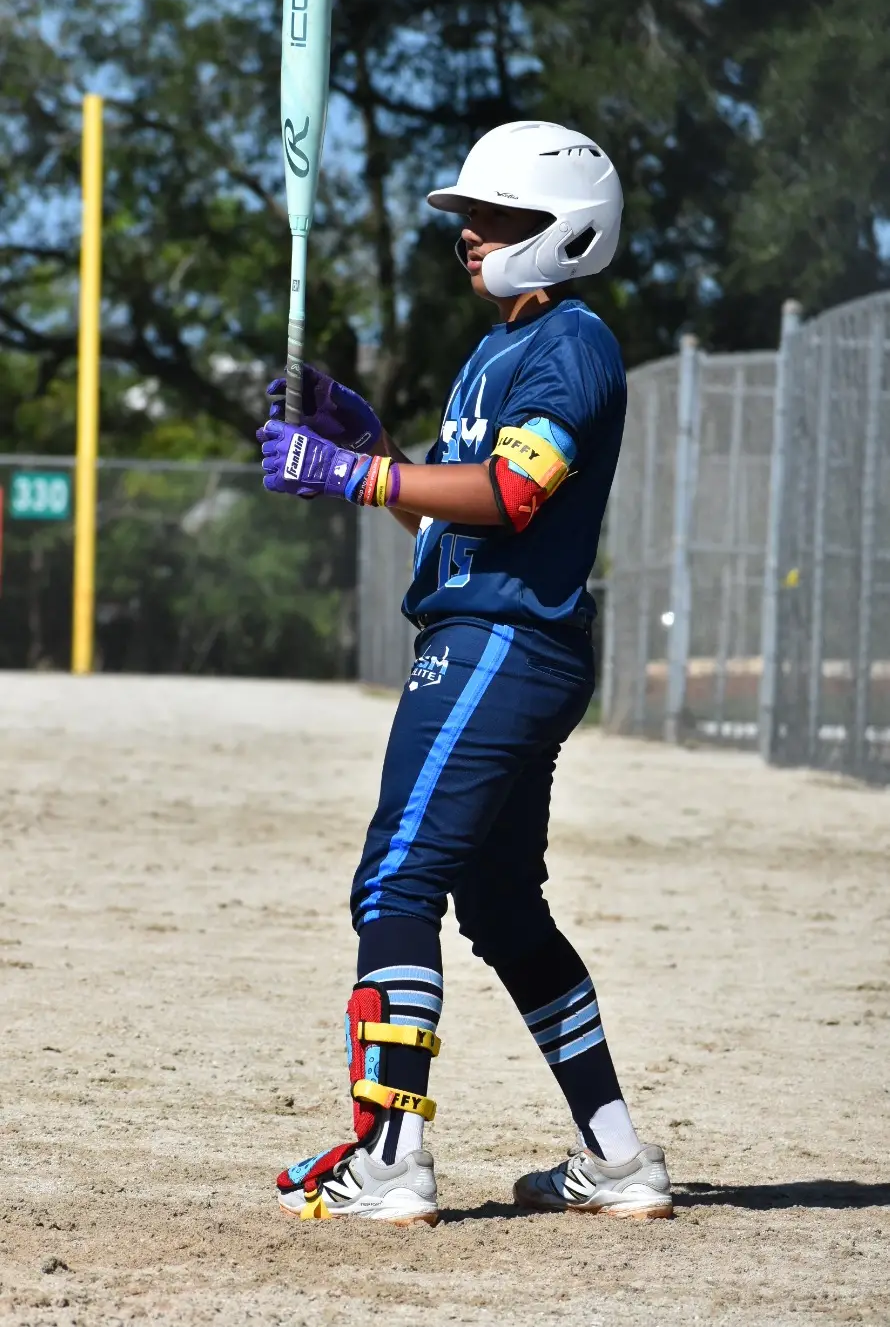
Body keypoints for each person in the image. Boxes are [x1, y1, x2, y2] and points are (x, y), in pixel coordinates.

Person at [257, 120, 673, 1224]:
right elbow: (456, 519)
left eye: (495, 217)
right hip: (494, 638)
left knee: (395, 881)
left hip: (498, 645)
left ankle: (389, 1158)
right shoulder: (494, 352)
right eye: (468, 221)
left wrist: (357, 476)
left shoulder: (572, 343)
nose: (473, 237)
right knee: (498, 904)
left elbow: (513, 495)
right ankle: (618, 1160)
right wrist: (375, 452)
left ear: (565, 231)